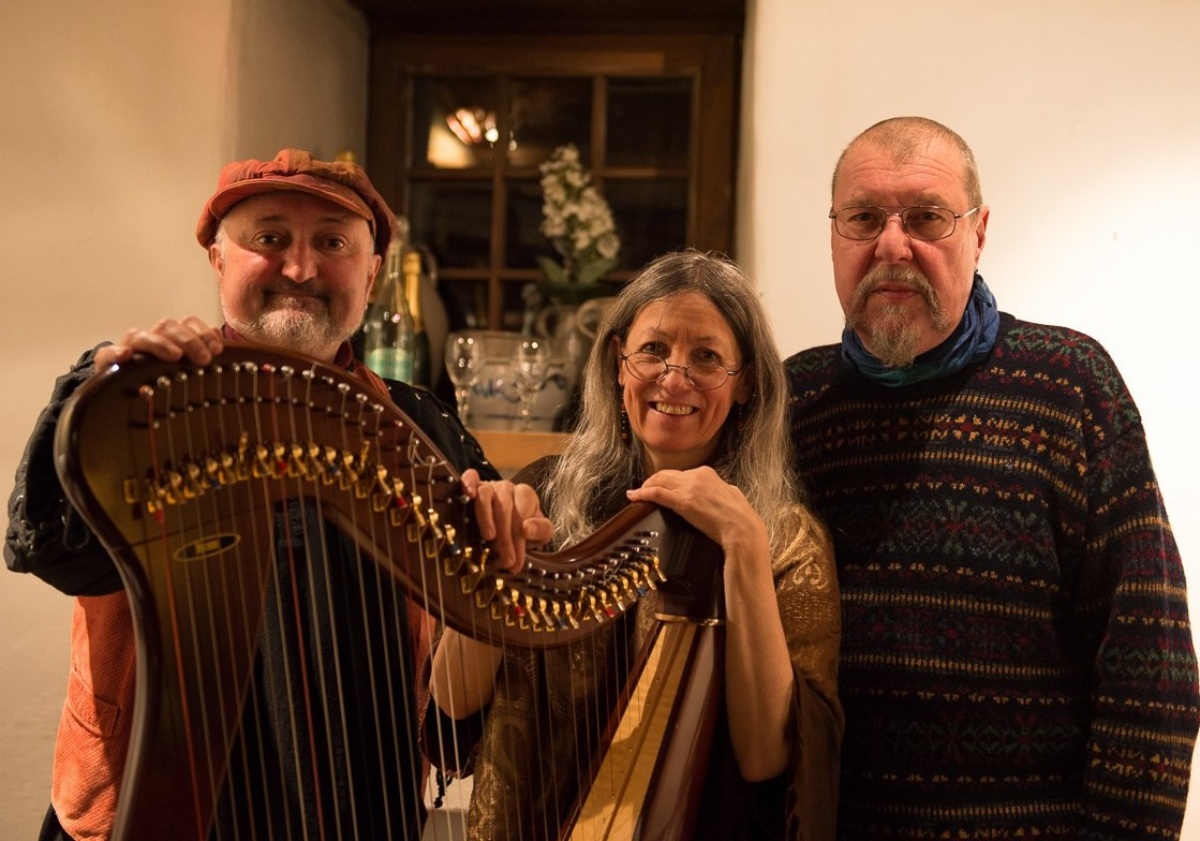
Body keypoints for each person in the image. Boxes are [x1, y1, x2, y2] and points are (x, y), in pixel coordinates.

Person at [4, 148, 545, 841]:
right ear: (218, 260)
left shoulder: (424, 423)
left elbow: (468, 654)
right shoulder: (145, 400)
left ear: (373, 271)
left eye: (332, 242)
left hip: (362, 811)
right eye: (269, 238)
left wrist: (507, 520)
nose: (300, 267)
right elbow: (51, 551)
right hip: (156, 815)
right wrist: (101, 387)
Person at [785, 116, 1200, 838]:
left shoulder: (1073, 386)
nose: (891, 244)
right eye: (862, 217)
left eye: (926, 217)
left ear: (979, 234)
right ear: (833, 236)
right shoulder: (793, 402)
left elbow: (1150, 665)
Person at [430, 250, 844, 840]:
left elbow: (766, 758)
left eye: (707, 356)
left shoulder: (784, 536)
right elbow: (454, 700)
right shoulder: (543, 494)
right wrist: (489, 568)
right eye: (653, 350)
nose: (675, 378)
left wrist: (744, 547)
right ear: (618, 364)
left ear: (746, 381)